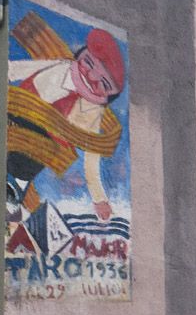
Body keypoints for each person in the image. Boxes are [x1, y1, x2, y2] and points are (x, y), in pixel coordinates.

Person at [7, 14, 126, 227]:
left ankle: (13, 199)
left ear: (108, 96)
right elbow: (17, 69)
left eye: (103, 83)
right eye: (89, 63)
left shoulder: (93, 112)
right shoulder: (59, 67)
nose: (91, 76)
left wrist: (99, 199)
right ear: (81, 56)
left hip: (44, 147)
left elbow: (91, 156)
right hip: (17, 117)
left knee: (28, 163)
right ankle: (12, 199)